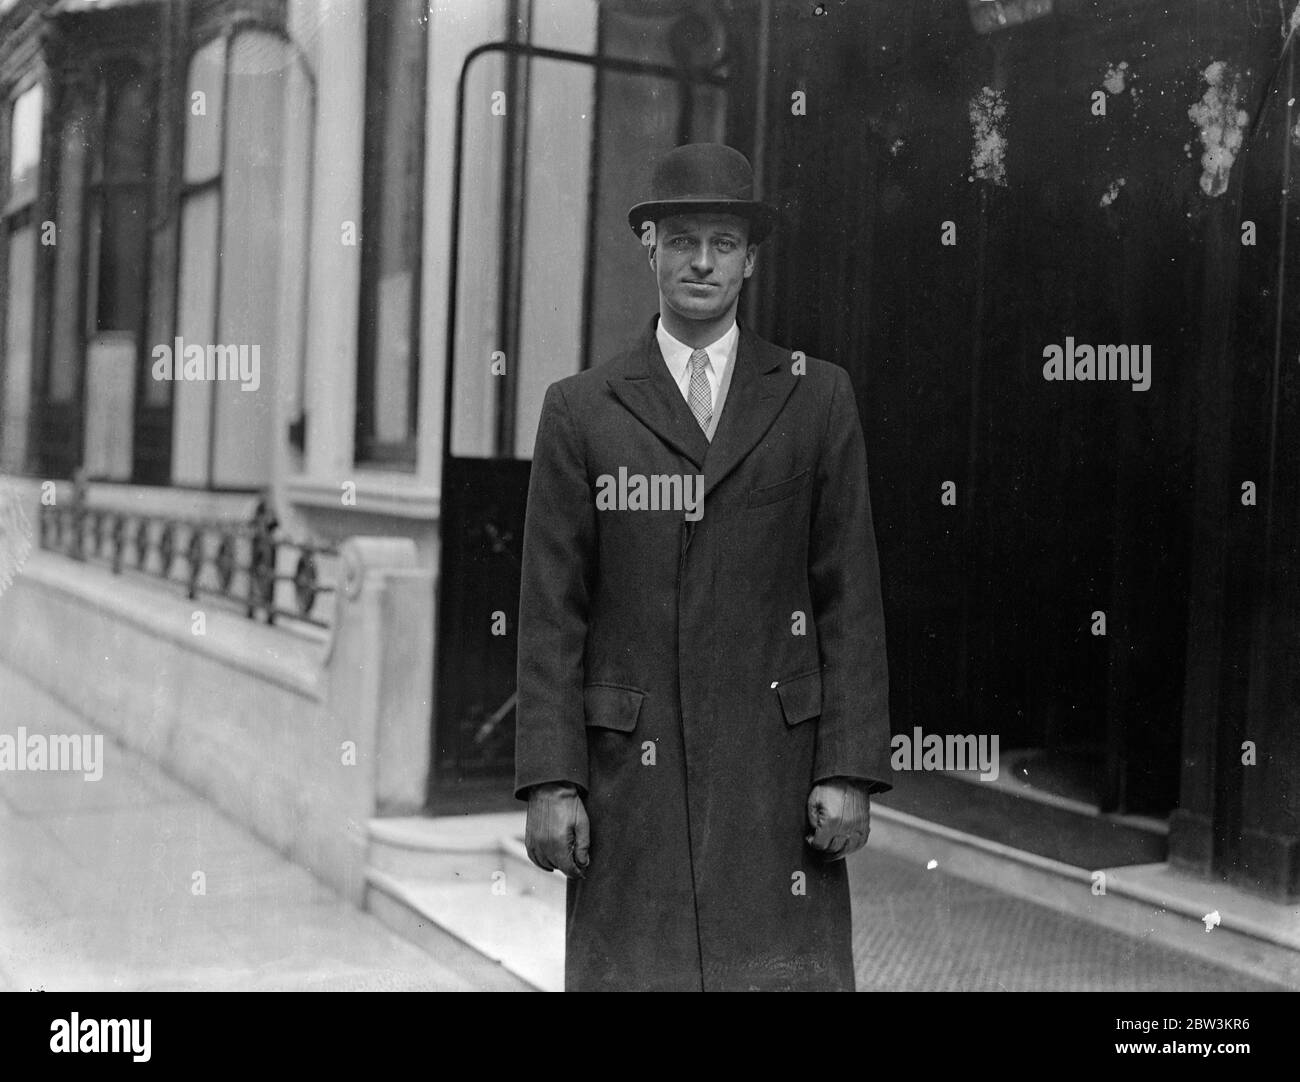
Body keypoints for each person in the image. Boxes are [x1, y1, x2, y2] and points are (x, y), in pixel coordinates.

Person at [514, 143, 892, 991]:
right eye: (681, 239)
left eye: (724, 242)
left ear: (750, 260)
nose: (702, 262)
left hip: (778, 780)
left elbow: (849, 596)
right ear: (648, 245)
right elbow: (551, 611)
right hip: (629, 783)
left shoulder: (816, 396)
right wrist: (551, 779)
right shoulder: (581, 410)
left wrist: (848, 767)